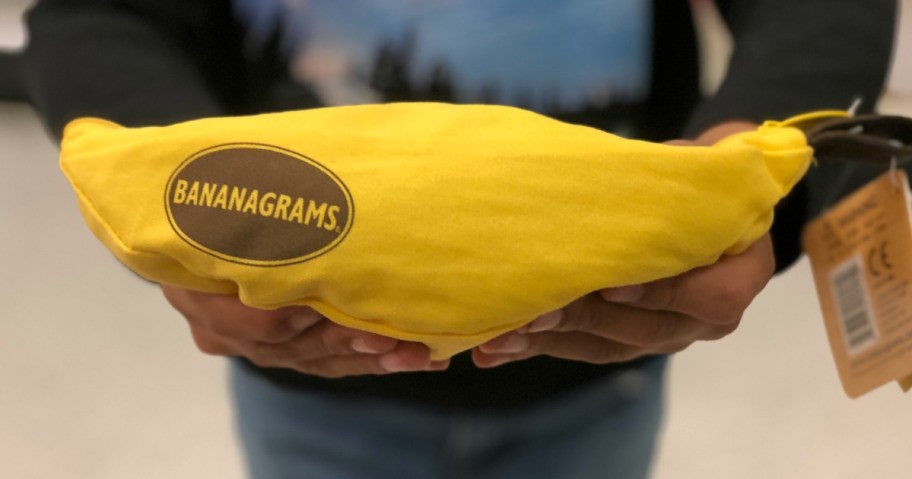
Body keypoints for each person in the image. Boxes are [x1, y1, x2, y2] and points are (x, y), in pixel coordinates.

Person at [24, 1, 895, 477]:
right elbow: (101, 15)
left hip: (601, 377)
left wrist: (754, 152)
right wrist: (196, 211)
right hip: (301, 375)